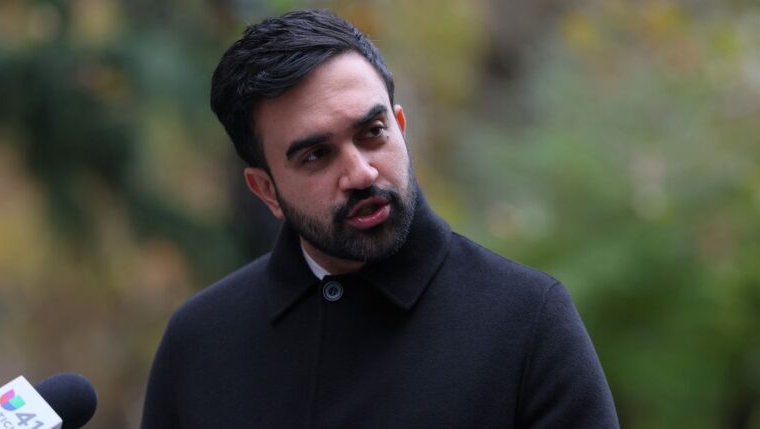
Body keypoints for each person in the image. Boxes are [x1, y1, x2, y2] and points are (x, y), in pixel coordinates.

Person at [141, 9, 619, 428]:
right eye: (316, 156)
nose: (361, 172)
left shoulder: (528, 322)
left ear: (400, 126)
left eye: (372, 133)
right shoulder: (199, 342)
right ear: (266, 190)